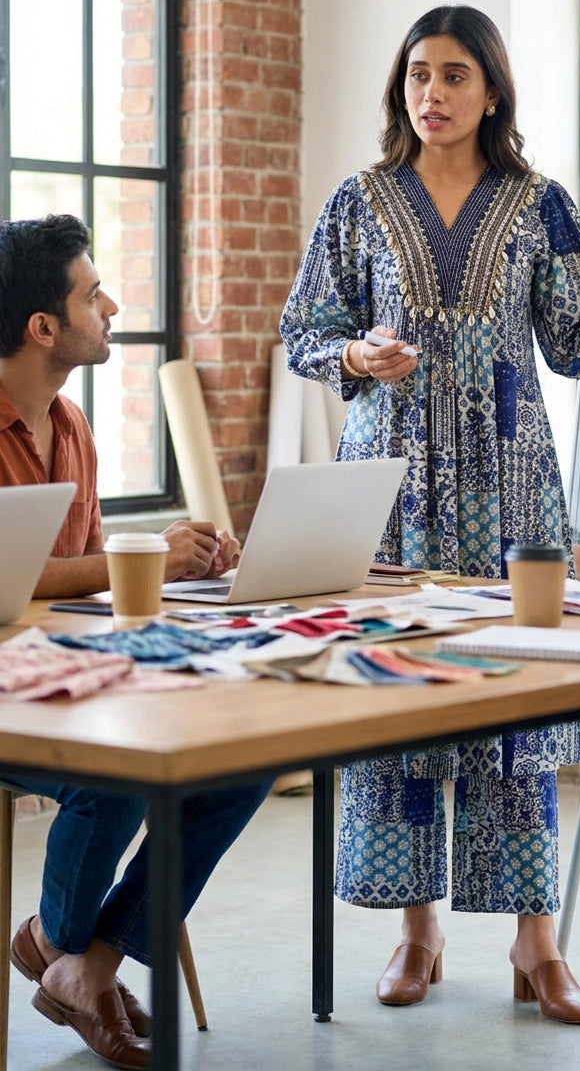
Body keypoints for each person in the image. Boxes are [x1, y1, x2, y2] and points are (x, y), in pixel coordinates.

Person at [279, 3, 580, 1024]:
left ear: (491, 90)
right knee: (401, 702)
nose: (433, 92)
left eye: (455, 75)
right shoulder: (358, 201)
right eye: (418, 73)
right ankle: (415, 932)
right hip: (393, 496)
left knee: (522, 705)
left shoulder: (538, 203)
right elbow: (303, 334)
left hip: (513, 492)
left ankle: (535, 948)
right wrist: (356, 358)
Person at [0, 213, 271, 1071]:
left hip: (68, 665)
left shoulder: (70, 424)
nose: (111, 305)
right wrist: (137, 559)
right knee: (112, 778)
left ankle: (79, 955)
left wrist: (169, 562)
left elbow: (70, 569)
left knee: (242, 754)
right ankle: (70, 953)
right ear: (44, 327)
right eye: (92, 293)